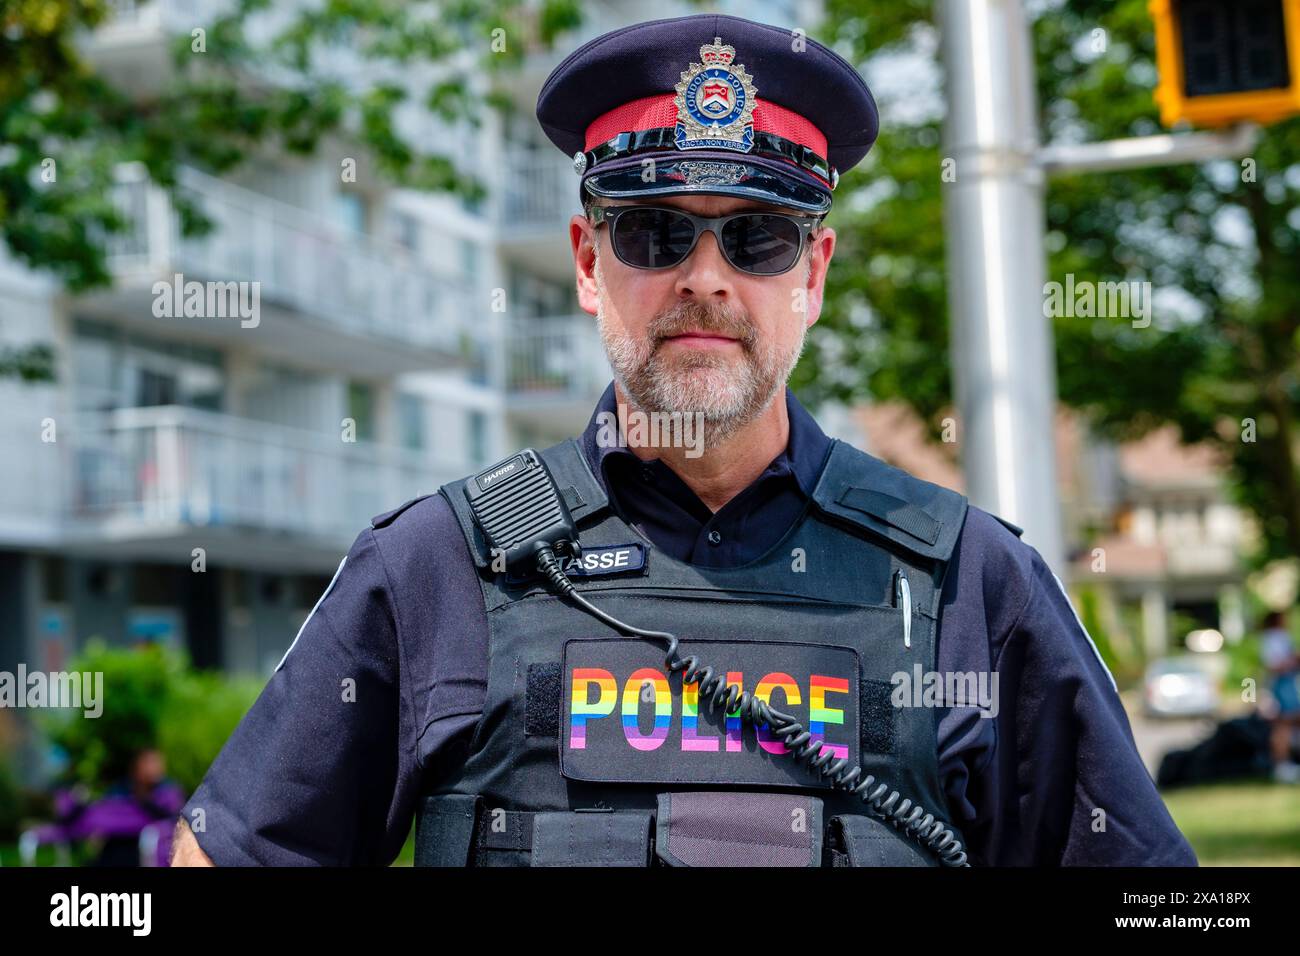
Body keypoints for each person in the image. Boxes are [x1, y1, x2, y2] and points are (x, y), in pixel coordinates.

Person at [171, 13, 1196, 867]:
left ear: (814, 272)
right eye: (655, 232)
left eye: (756, 237)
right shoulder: (434, 566)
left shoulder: (974, 581)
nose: (705, 276)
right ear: (585, 259)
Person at [1260, 610, 1300, 783]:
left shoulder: (1278, 636)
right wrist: (1294, 660)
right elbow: (1274, 664)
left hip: (1287, 684)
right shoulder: (1274, 637)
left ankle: (1286, 763)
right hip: (1282, 685)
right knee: (1283, 724)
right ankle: (1282, 766)